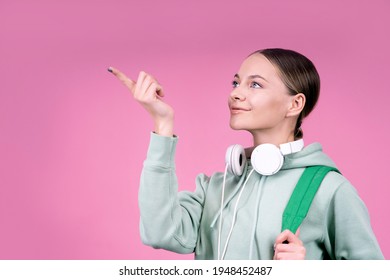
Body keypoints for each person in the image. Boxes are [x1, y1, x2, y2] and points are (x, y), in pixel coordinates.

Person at [108, 48, 384, 260]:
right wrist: (163, 125)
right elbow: (159, 232)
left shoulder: (328, 189)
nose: (235, 94)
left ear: (295, 104)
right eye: (236, 82)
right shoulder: (217, 187)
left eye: (255, 85)